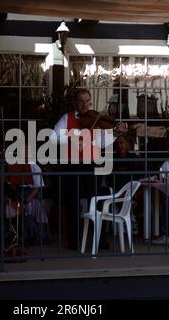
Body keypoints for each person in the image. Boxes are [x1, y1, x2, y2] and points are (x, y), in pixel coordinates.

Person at [51, 88, 127, 250]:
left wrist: (115, 133)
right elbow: (53, 137)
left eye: (88, 101)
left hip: (92, 164)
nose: (85, 105)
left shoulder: (95, 119)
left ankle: (100, 240)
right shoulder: (67, 118)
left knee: (97, 200)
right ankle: (74, 241)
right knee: (72, 202)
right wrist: (71, 137)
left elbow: (101, 143)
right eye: (81, 101)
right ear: (75, 102)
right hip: (71, 165)